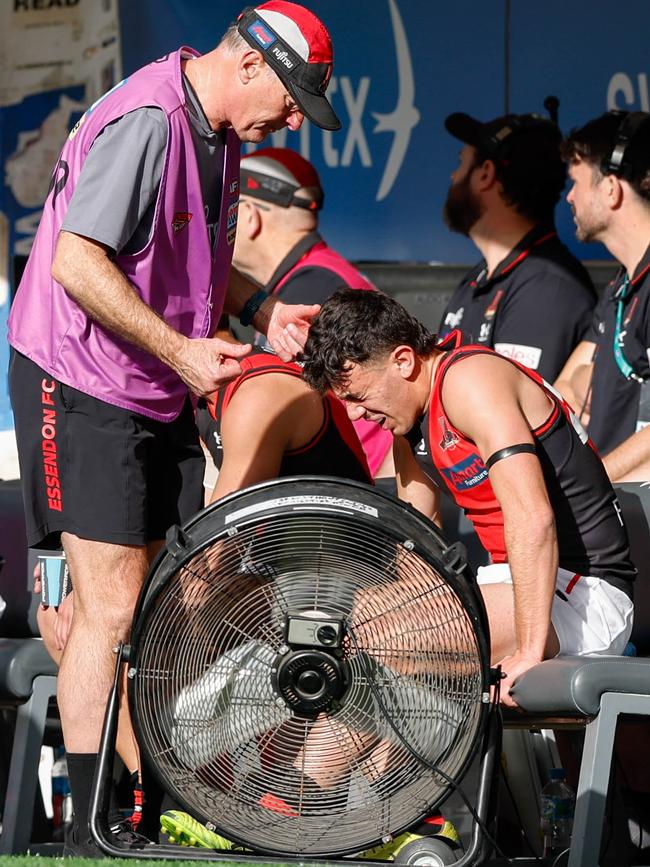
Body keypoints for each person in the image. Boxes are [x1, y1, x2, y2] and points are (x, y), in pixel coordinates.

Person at [7, 1, 339, 855]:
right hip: (79, 379)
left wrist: (262, 312)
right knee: (109, 604)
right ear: (251, 64)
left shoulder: (219, 132)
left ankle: (161, 798)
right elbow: (76, 262)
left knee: (185, 595)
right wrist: (183, 353)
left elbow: (179, 260)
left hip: (153, 384)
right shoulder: (151, 118)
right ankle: (88, 822)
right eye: (296, 97)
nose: (295, 119)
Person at [301, 288, 636, 708]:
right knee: (333, 624)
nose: (353, 414)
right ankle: (313, 773)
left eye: (357, 396)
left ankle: (433, 751)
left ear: (404, 361)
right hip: (510, 583)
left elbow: (533, 518)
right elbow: (416, 548)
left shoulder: (470, 379)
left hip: (583, 593)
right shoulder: (407, 420)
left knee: (378, 635)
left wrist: (530, 654)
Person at [230, 146, 393, 480]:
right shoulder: (316, 275)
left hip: (354, 498)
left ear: (249, 217)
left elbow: (266, 407)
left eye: (226, 215)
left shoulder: (314, 288)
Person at [439, 110, 596, 382]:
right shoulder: (480, 278)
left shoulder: (547, 287)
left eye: (461, 163)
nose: (453, 175)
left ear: (486, 174)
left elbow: (512, 417)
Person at [554, 111, 650, 481]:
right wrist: (582, 378)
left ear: (611, 189)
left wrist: (594, 489)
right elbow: (561, 389)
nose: (570, 198)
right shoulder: (621, 284)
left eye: (575, 182)